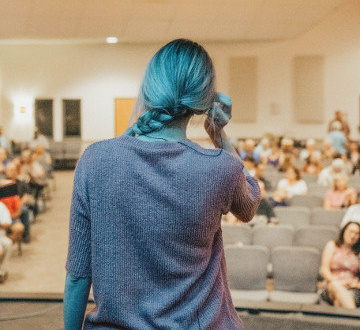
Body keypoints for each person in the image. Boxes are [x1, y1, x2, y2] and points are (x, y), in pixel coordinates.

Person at [64, 39, 261, 330]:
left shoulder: (94, 159)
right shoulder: (220, 166)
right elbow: (249, 205)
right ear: (204, 101)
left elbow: (78, 276)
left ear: (147, 89)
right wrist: (219, 134)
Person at [320, 222, 360, 308]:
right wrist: (336, 281)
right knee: (336, 286)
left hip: (353, 288)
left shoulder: (358, 252)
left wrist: (354, 284)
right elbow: (324, 269)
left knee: (339, 300)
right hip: (331, 284)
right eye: (350, 231)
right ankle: (353, 317)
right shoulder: (332, 245)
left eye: (357, 233)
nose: (353, 235)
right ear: (344, 232)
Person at [0, 201, 12, 284]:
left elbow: (8, 224)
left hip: (1, 236)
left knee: (8, 243)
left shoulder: (1, 207)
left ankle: (1, 272)